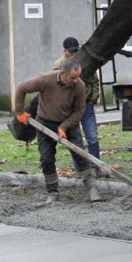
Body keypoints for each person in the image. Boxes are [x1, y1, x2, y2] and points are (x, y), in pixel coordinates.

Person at [14, 57, 103, 204]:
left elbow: (79, 110)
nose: (76, 80)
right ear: (63, 73)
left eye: (77, 77)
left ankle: (92, 188)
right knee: (46, 159)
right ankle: (53, 192)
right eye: (73, 77)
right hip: (44, 122)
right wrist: (20, 112)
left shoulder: (79, 86)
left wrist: (64, 126)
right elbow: (21, 88)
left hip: (69, 124)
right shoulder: (45, 79)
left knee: (80, 155)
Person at [52, 37, 105, 178]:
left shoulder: (84, 60)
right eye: (72, 51)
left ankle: (96, 167)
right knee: (75, 140)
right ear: (65, 51)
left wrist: (94, 98)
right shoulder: (58, 65)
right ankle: (80, 169)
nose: (75, 53)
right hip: (70, 109)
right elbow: (56, 87)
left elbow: (95, 80)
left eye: (77, 50)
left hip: (86, 104)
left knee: (92, 138)